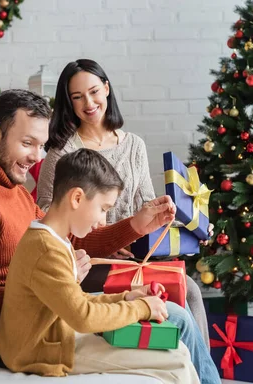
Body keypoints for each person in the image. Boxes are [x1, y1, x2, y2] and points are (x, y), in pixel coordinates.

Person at [0, 89, 176, 336]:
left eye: (40, 146)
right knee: (176, 318)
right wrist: (64, 280)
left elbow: (68, 238)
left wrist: (136, 226)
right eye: (27, 143)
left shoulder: (12, 189)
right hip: (31, 332)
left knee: (172, 311)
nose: (37, 157)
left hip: (53, 306)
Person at [37, 59, 211, 346]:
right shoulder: (62, 152)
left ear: (106, 89)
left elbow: (146, 205)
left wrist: (191, 223)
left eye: (94, 91)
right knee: (184, 292)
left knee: (189, 289)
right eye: (77, 97)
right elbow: (46, 214)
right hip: (92, 264)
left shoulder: (134, 146)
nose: (88, 103)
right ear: (68, 102)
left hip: (137, 260)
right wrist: (103, 235)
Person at [0, 148, 199, 383]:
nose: (102, 220)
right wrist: (143, 308)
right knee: (176, 361)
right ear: (77, 198)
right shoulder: (45, 250)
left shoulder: (56, 239)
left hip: (57, 334)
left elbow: (77, 303)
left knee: (178, 352)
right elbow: (83, 317)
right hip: (42, 351)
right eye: (103, 209)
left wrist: (127, 298)